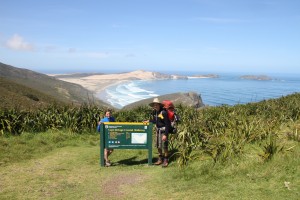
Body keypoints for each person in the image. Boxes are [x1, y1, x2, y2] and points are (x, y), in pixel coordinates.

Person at [148, 97, 172, 167]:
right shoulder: (155, 112)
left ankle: (166, 160)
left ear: (159, 105)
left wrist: (165, 134)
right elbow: (156, 121)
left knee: (165, 146)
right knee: (158, 145)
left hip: (164, 131)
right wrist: (149, 121)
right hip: (158, 131)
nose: (155, 106)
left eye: (156, 104)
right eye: (154, 105)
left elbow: (168, 124)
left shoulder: (163, 112)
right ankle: (160, 159)